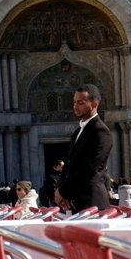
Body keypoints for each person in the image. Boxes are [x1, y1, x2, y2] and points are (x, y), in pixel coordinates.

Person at [55, 84, 113, 212]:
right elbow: (69, 165)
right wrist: (61, 190)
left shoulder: (100, 131)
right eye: (74, 102)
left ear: (94, 104)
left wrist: (64, 191)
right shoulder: (78, 131)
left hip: (92, 202)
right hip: (75, 201)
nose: (75, 106)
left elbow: (89, 168)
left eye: (80, 102)